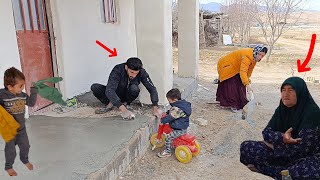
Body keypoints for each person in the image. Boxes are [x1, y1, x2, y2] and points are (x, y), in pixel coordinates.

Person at [240, 77, 320, 179]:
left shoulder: (313, 113)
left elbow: (302, 149)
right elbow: (266, 132)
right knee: (246, 147)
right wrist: (281, 137)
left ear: (300, 92)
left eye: (290, 90)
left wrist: (273, 145)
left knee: (306, 171)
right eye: (283, 90)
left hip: (306, 157)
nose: (285, 94)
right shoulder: (282, 109)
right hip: (282, 153)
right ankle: (281, 172)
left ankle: (269, 170)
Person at [91, 57, 160, 119]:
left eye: (136, 73)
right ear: (126, 67)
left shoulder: (142, 72)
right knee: (95, 87)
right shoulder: (117, 69)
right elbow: (110, 90)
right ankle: (112, 103)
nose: (134, 75)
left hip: (127, 96)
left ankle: (125, 103)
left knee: (134, 88)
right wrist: (124, 110)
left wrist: (155, 108)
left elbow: (152, 89)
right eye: (132, 72)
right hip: (116, 93)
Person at [0, 67, 37, 176]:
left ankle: (24, 159)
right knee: (11, 150)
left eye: (24, 85)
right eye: (20, 86)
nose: (23, 88)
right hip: (10, 129)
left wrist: (34, 91)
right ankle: (8, 167)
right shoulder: (2, 95)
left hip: (21, 129)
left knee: (26, 146)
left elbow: (31, 103)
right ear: (10, 87)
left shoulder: (22, 95)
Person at [215, 45, 268, 112]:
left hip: (235, 68)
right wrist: (247, 85)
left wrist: (247, 79)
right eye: (259, 54)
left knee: (242, 83)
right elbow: (243, 71)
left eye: (262, 56)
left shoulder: (254, 57)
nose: (260, 57)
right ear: (256, 52)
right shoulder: (247, 56)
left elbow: (249, 70)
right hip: (226, 65)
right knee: (232, 85)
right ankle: (232, 105)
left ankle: (241, 102)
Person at [157, 88, 192, 158]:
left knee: (168, 138)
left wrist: (162, 120)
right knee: (171, 134)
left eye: (169, 101)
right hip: (182, 126)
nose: (169, 102)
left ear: (175, 100)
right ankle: (173, 144)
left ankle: (167, 152)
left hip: (179, 129)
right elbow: (172, 110)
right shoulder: (182, 104)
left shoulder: (177, 109)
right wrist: (167, 112)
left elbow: (171, 117)